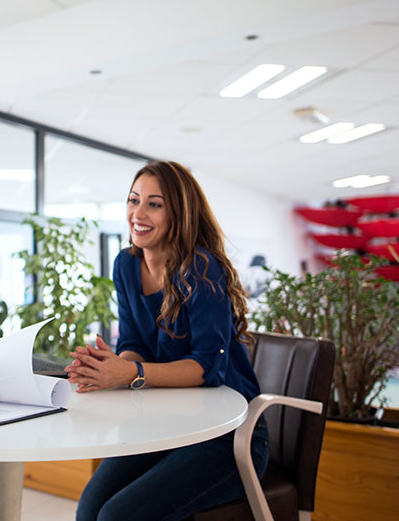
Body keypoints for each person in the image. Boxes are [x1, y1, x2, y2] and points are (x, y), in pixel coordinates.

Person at [66, 160, 269, 521]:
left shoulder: (201, 268)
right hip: (169, 423)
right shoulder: (126, 265)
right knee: (89, 509)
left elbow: (208, 367)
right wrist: (110, 369)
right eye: (133, 200)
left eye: (154, 204)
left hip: (229, 434)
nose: (137, 213)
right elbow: (135, 343)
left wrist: (128, 373)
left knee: (118, 516)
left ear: (179, 213)